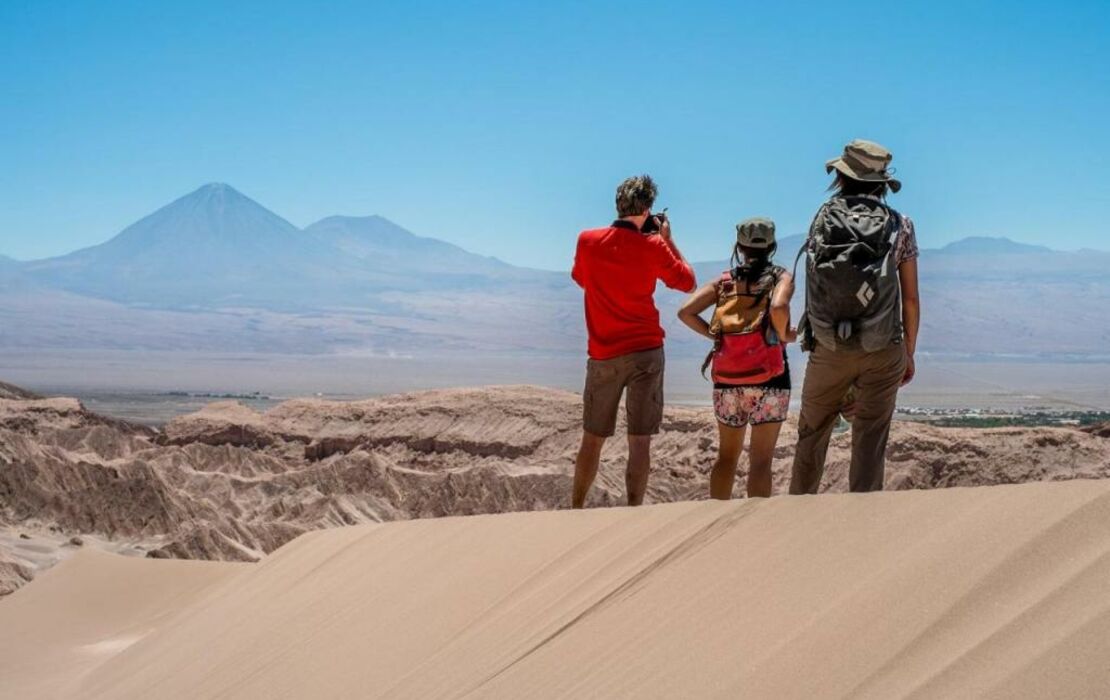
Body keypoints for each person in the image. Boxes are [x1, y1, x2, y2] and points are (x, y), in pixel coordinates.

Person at [790, 139, 921, 494]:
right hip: (883, 347)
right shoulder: (900, 224)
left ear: (842, 176)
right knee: (870, 440)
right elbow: (910, 299)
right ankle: (862, 530)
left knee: (812, 435)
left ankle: (793, 521)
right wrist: (907, 352)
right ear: (881, 182)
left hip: (829, 345)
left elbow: (815, 283)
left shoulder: (821, 217)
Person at [570, 175, 696, 508]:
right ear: (648, 209)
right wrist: (667, 240)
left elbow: (581, 277)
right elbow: (688, 282)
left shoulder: (587, 241)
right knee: (639, 442)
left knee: (592, 439)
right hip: (646, 353)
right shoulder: (653, 247)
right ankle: (633, 511)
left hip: (602, 354)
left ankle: (575, 509)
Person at [678, 218, 796, 499]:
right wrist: (785, 335)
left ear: (739, 246)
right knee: (761, 461)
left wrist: (716, 338)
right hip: (772, 379)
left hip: (728, 381)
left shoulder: (724, 282)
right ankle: (752, 529)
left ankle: (716, 520)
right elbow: (779, 306)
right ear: (772, 246)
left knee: (726, 457)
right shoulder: (780, 277)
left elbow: (685, 311)